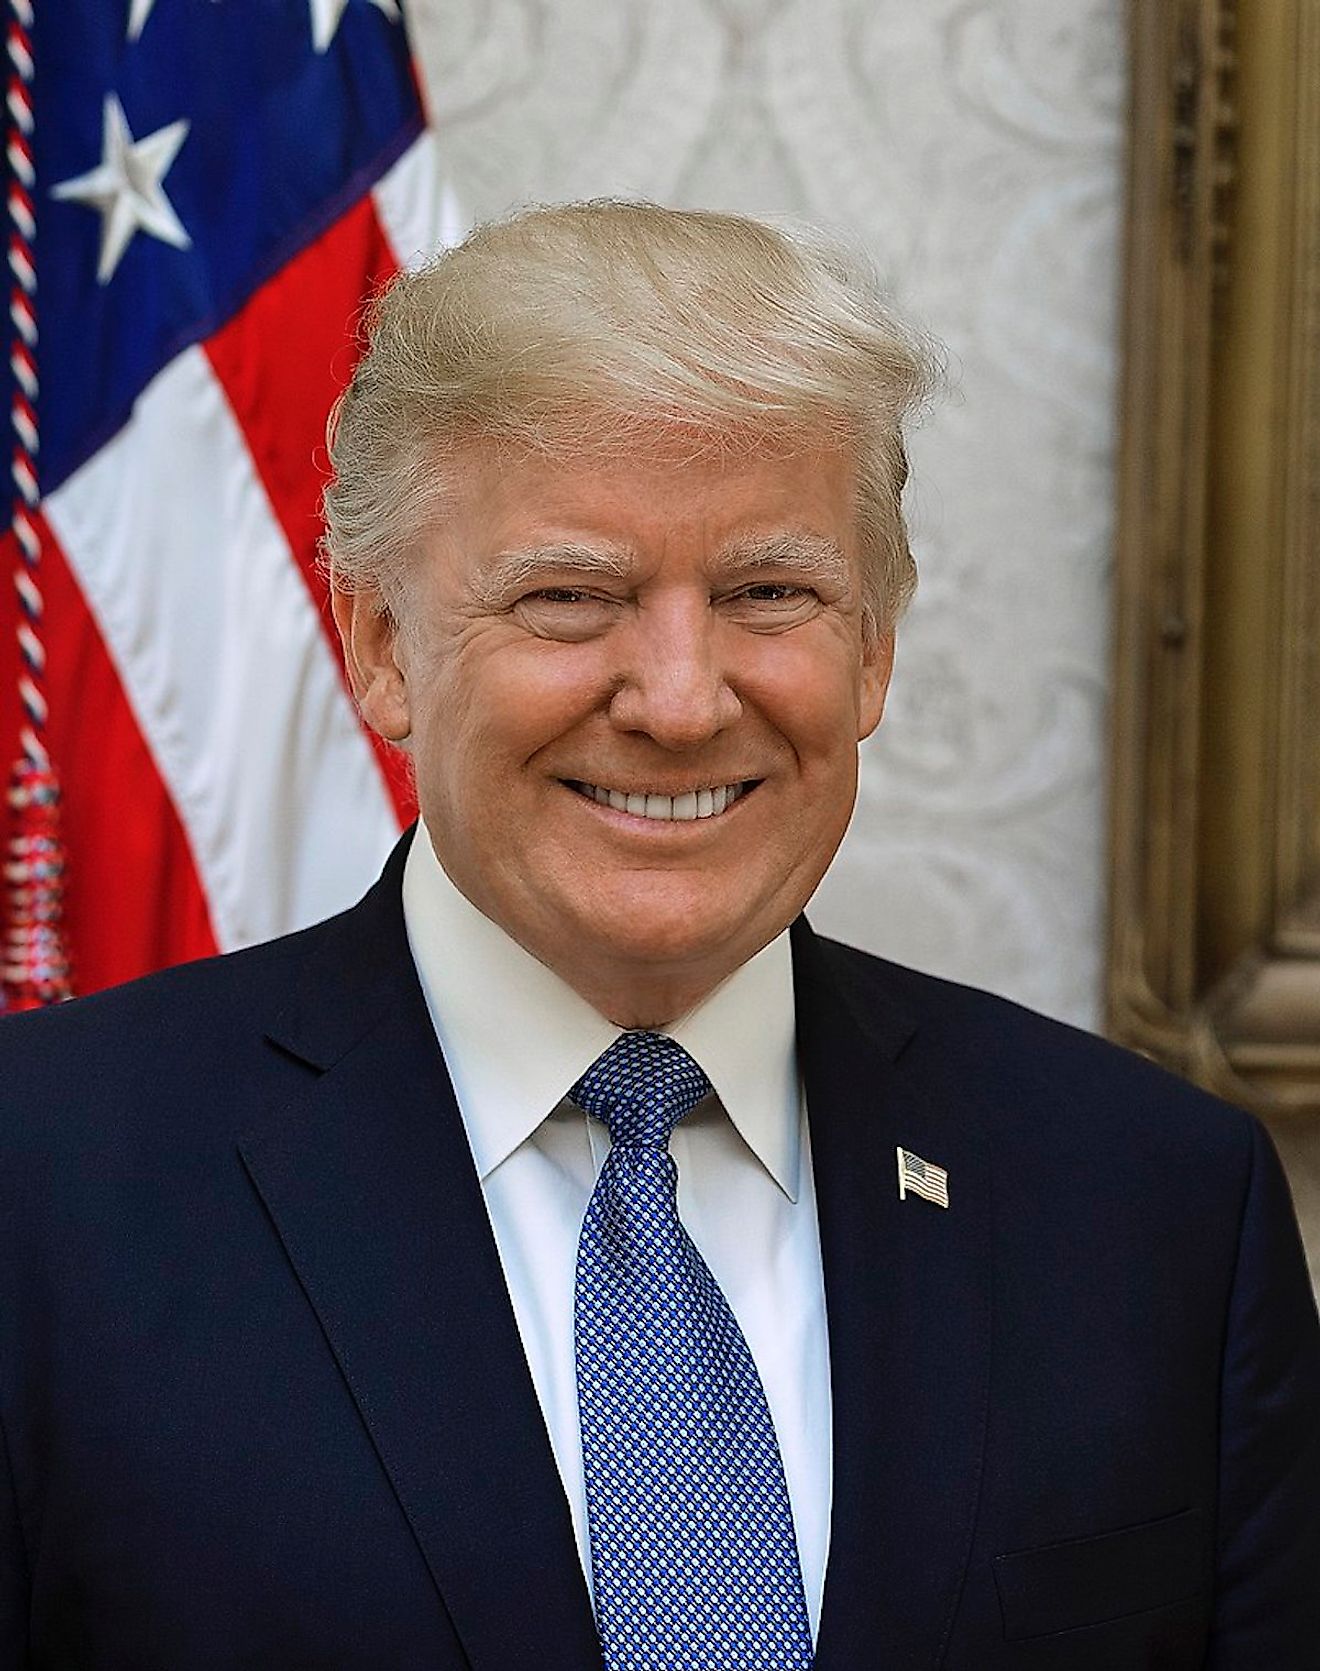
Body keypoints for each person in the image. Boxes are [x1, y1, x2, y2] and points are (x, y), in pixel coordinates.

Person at [1, 201, 1317, 1671]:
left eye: (772, 594)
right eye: (572, 599)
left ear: (872, 647)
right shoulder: (41, 1188)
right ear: (380, 645)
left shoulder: (1157, 1207)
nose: (683, 699)